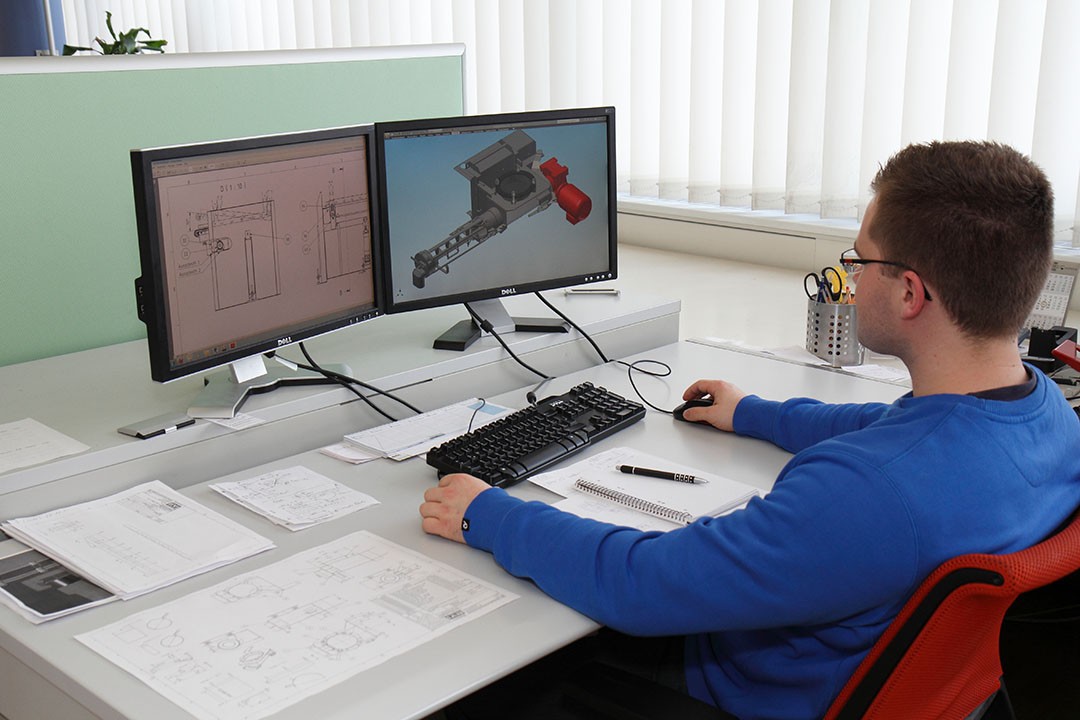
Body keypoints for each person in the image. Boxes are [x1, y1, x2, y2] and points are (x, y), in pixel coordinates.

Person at [419, 141, 1080, 720]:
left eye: (860, 259)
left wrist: (490, 514)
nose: (851, 276)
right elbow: (888, 425)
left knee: (481, 675)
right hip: (892, 687)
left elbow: (644, 583)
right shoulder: (1045, 412)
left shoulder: (864, 493)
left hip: (728, 693)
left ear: (909, 293)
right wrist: (755, 412)